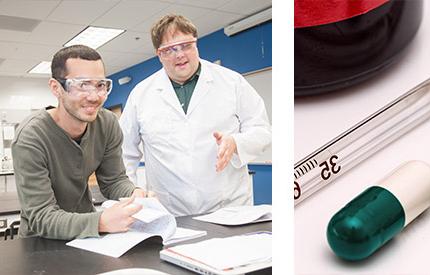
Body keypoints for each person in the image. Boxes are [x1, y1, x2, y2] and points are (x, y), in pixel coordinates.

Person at [120, 14, 271, 216]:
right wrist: (131, 191)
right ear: (159, 54)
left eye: (186, 45)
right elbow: (124, 151)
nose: (180, 55)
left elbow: (262, 131)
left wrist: (236, 142)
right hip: (169, 212)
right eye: (169, 50)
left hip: (228, 207)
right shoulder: (141, 94)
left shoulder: (231, 82)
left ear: (196, 44)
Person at [15, 45, 152, 240]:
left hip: (88, 236)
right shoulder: (31, 137)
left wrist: (135, 194)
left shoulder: (107, 123)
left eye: (100, 85)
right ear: (56, 88)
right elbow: (41, 216)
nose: (94, 96)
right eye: (82, 85)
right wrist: (101, 222)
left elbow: (113, 181)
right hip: (40, 243)